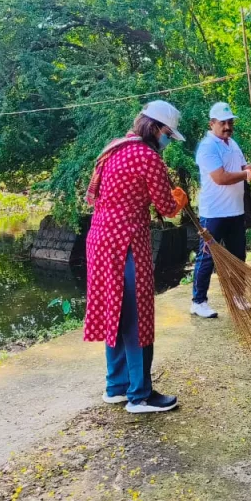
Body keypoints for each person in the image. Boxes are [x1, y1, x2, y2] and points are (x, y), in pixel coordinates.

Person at [84, 100, 189, 413]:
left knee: (115, 313)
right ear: (155, 128)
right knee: (136, 317)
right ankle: (140, 395)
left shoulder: (112, 148)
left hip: (99, 240)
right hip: (126, 243)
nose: (168, 141)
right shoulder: (147, 157)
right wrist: (179, 198)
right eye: (168, 135)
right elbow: (167, 209)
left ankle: (116, 387)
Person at [190, 102, 251, 318]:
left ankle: (238, 295)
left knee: (238, 256)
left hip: (235, 211)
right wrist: (249, 175)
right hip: (213, 213)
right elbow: (221, 177)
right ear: (212, 123)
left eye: (230, 122)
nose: (227, 126)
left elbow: (242, 169)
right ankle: (198, 301)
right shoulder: (207, 147)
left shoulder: (232, 143)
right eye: (223, 122)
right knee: (207, 257)